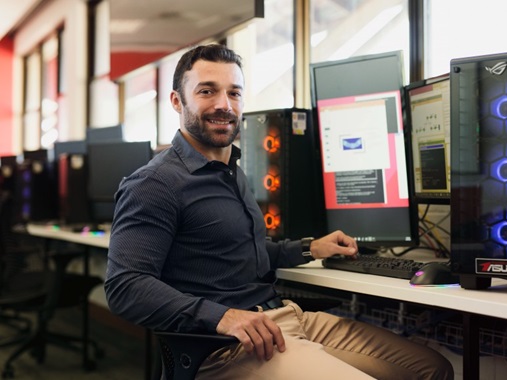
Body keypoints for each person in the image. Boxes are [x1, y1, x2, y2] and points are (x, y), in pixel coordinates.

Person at [104, 43, 454, 380]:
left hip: (282, 317)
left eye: (234, 93)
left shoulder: (231, 171)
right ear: (177, 101)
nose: (224, 104)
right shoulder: (155, 183)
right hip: (226, 346)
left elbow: (243, 253)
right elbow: (125, 286)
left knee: (432, 368)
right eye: (207, 91)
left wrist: (310, 248)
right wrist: (224, 317)